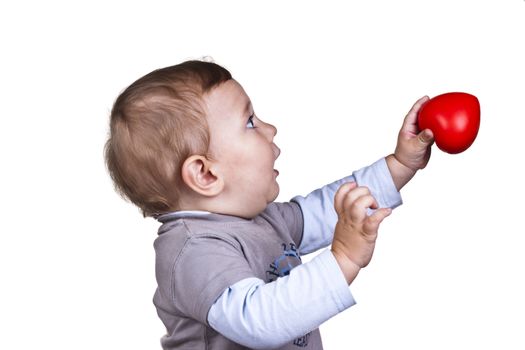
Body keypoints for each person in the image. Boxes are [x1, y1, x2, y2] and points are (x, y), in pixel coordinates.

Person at [104, 59, 434, 349]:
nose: (271, 129)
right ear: (205, 174)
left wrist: (399, 165)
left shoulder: (257, 219)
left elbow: (326, 209)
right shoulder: (194, 250)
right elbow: (260, 320)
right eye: (250, 122)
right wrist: (343, 258)